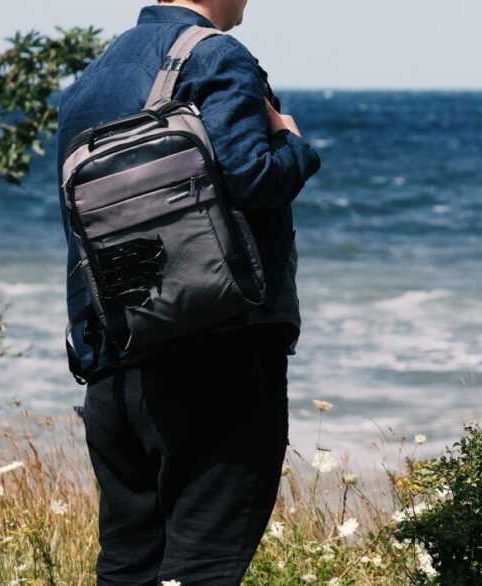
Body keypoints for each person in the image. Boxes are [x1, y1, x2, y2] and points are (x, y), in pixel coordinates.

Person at [55, 0, 320, 583]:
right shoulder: (217, 57)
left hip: (114, 363)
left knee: (130, 568)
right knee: (204, 566)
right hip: (215, 358)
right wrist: (296, 146)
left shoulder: (91, 78)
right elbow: (253, 178)